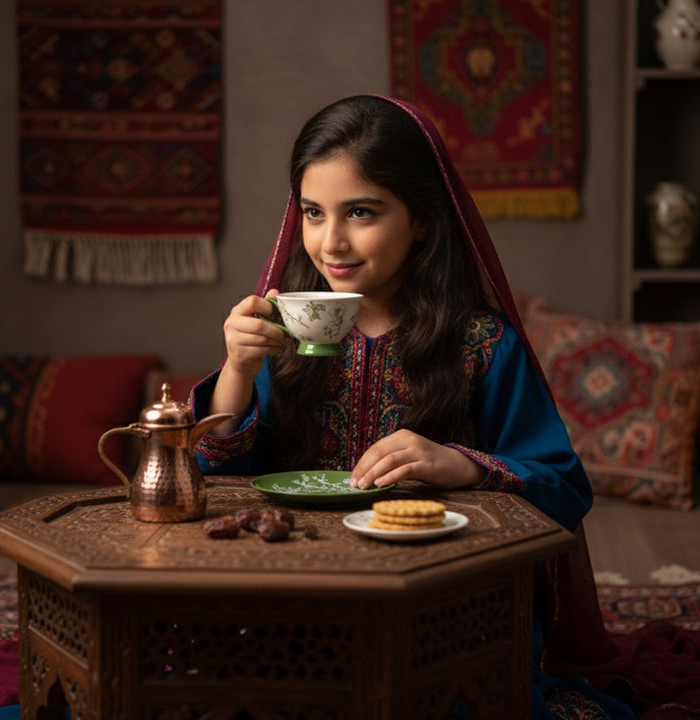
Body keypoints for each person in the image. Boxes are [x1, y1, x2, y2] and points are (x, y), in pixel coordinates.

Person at [191, 95, 700, 719]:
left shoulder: (482, 345)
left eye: (362, 212)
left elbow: (565, 490)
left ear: (423, 221)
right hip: (299, 598)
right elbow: (211, 484)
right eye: (313, 213)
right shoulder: (281, 339)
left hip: (448, 610)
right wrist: (238, 370)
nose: (332, 242)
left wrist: (462, 465)